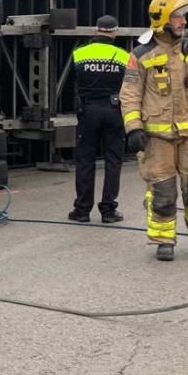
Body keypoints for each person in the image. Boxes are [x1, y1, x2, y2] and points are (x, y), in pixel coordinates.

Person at [119, 0, 188, 262]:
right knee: (162, 193)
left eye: (184, 16)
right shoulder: (141, 55)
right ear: (162, 19)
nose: (183, 22)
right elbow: (130, 94)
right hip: (157, 137)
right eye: (179, 16)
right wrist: (133, 128)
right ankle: (164, 240)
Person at [68, 15, 129, 224]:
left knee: (85, 160)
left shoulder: (80, 53)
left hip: (88, 111)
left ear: (96, 31)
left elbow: (70, 83)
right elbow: (131, 87)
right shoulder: (123, 56)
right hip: (114, 111)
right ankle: (109, 210)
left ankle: (82, 210)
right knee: (113, 161)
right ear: (115, 32)